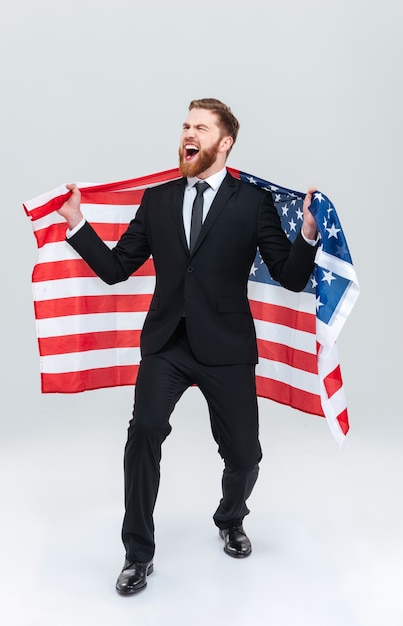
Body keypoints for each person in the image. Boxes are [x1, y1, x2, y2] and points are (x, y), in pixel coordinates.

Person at [58, 98, 319, 595]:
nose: (187, 134)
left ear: (225, 143)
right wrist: (76, 222)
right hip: (168, 343)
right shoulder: (157, 200)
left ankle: (230, 517)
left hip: (226, 346)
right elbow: (117, 270)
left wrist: (307, 233)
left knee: (244, 455)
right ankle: (137, 553)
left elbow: (290, 277)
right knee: (143, 435)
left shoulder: (252, 203)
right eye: (184, 126)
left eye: (200, 127)